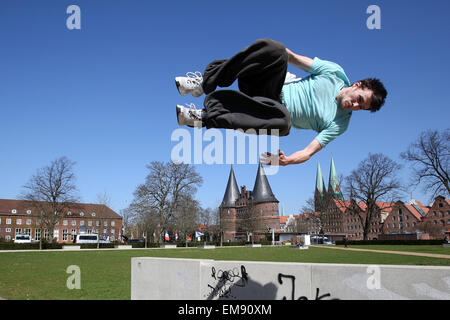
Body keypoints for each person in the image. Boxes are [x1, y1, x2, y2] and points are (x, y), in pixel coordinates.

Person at [175, 39, 387, 166]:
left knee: (284, 123)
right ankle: (203, 84)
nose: (355, 106)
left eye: (361, 108)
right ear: (357, 85)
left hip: (269, 111)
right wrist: (265, 55)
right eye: (359, 100)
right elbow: (293, 58)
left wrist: (287, 161)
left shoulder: (340, 123)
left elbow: (309, 151)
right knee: (277, 49)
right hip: (267, 85)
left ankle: (201, 118)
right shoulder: (335, 72)